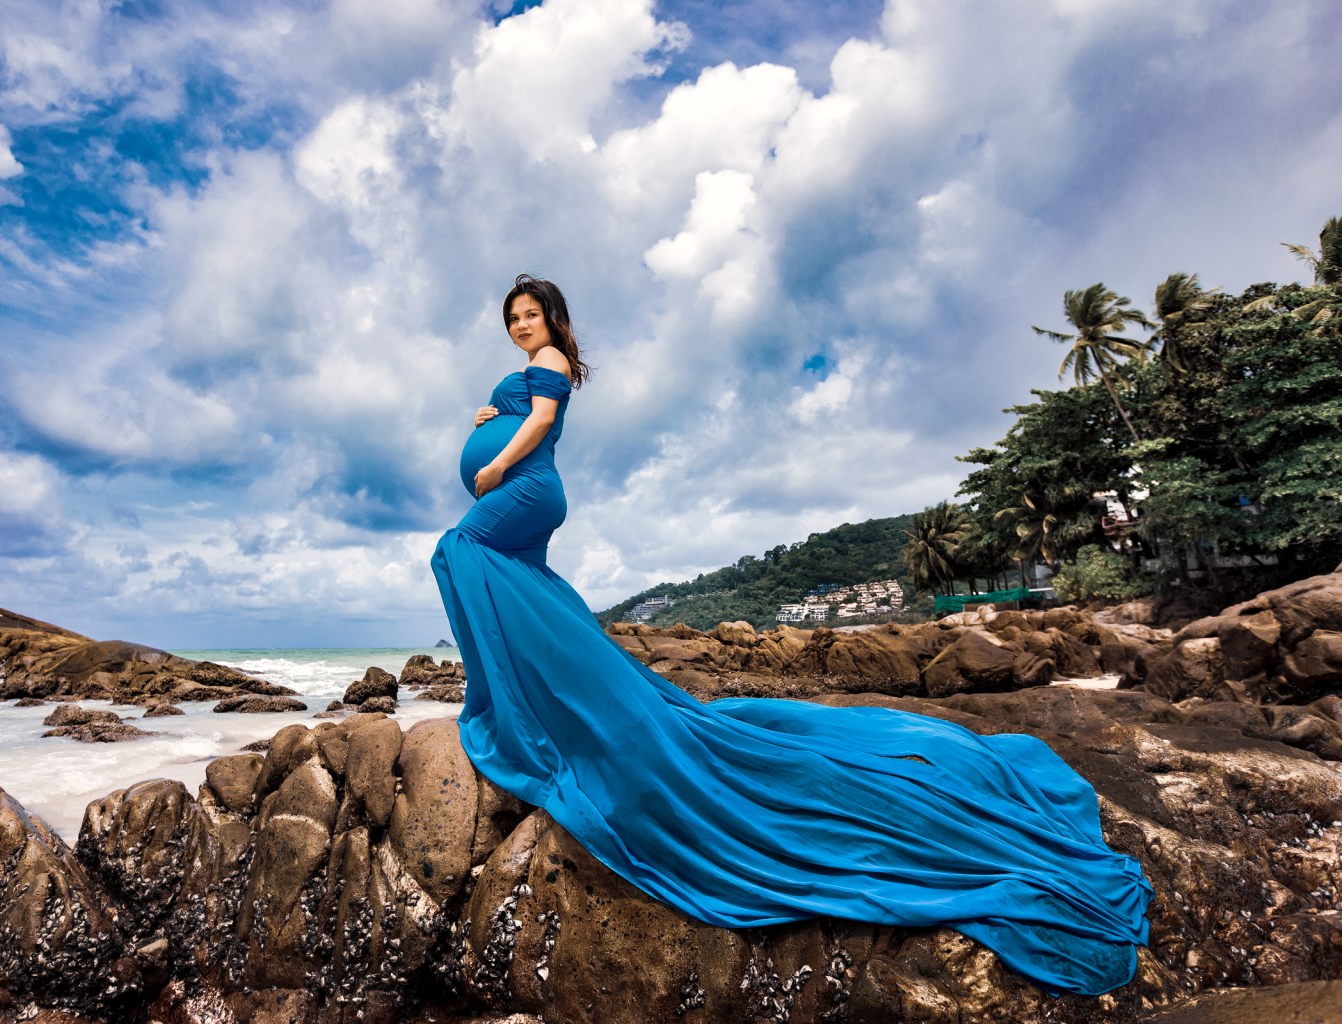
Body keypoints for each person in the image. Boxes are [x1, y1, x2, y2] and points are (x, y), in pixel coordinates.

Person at [430, 274, 1152, 996]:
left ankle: (515, 704)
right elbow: (524, 408)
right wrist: (492, 407)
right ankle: (529, 696)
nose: (522, 325)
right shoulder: (531, 369)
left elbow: (538, 421)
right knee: (510, 576)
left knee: (459, 551)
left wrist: (495, 456)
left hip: (525, 485)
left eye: (531, 315)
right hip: (530, 487)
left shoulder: (551, 361)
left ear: (551, 319)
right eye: (514, 318)